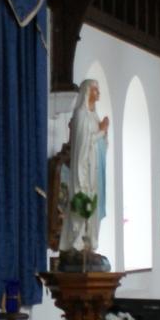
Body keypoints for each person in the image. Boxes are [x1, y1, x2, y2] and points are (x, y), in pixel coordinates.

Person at [58, 79, 110, 262]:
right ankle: (77, 242)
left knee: (93, 206)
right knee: (81, 204)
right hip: (83, 169)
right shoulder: (80, 115)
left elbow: (100, 145)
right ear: (87, 91)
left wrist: (105, 134)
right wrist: (102, 132)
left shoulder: (94, 116)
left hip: (94, 170)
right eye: (96, 89)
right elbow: (82, 144)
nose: (98, 93)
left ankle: (90, 242)